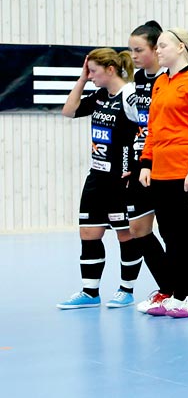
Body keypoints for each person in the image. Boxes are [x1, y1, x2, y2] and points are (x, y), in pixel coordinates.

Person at [138, 28, 188, 319]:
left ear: (181, 48)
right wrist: (146, 162)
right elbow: (153, 127)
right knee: (169, 232)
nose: (157, 51)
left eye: (162, 46)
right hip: (161, 170)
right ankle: (175, 293)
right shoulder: (160, 82)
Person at [57, 48, 142, 309]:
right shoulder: (99, 96)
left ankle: (126, 290)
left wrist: (136, 168)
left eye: (93, 72)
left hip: (121, 179)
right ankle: (90, 292)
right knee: (89, 233)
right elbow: (68, 111)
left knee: (125, 235)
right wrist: (82, 80)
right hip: (97, 176)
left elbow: (146, 131)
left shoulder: (130, 96)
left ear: (110, 70)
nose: (90, 76)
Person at [125, 21, 174, 314]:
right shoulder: (139, 81)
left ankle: (181, 290)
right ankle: (166, 286)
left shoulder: (170, 78)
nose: (133, 55)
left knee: (172, 230)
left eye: (138, 50)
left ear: (156, 49)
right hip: (142, 161)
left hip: (167, 163)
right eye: (131, 50)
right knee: (138, 227)